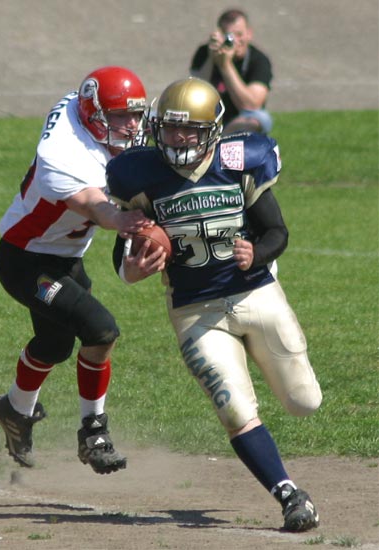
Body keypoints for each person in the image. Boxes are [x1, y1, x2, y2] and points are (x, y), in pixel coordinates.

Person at [106, 77, 322, 531]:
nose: (179, 138)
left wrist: (256, 253)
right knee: (235, 410)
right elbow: (122, 257)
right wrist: (134, 268)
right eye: (170, 128)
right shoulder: (137, 174)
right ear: (155, 128)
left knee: (305, 401)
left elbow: (276, 231)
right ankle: (289, 494)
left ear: (214, 131)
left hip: (255, 294)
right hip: (195, 310)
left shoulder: (240, 160)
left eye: (190, 129)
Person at [0, 66, 153, 475]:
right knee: (101, 330)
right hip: (26, 259)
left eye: (135, 114)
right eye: (120, 116)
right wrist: (121, 219)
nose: (132, 125)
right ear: (93, 114)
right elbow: (94, 205)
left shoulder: (79, 109)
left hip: (64, 257)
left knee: (54, 345)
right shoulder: (61, 155)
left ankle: (14, 410)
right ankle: (94, 431)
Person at [190, 8, 273, 134]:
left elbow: (251, 105)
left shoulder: (259, 60)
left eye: (239, 34)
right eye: (228, 35)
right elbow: (194, 95)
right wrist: (212, 58)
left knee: (260, 118)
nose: (234, 40)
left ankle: (220, 141)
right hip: (208, 119)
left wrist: (225, 65)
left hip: (238, 120)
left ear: (249, 34)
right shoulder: (204, 53)